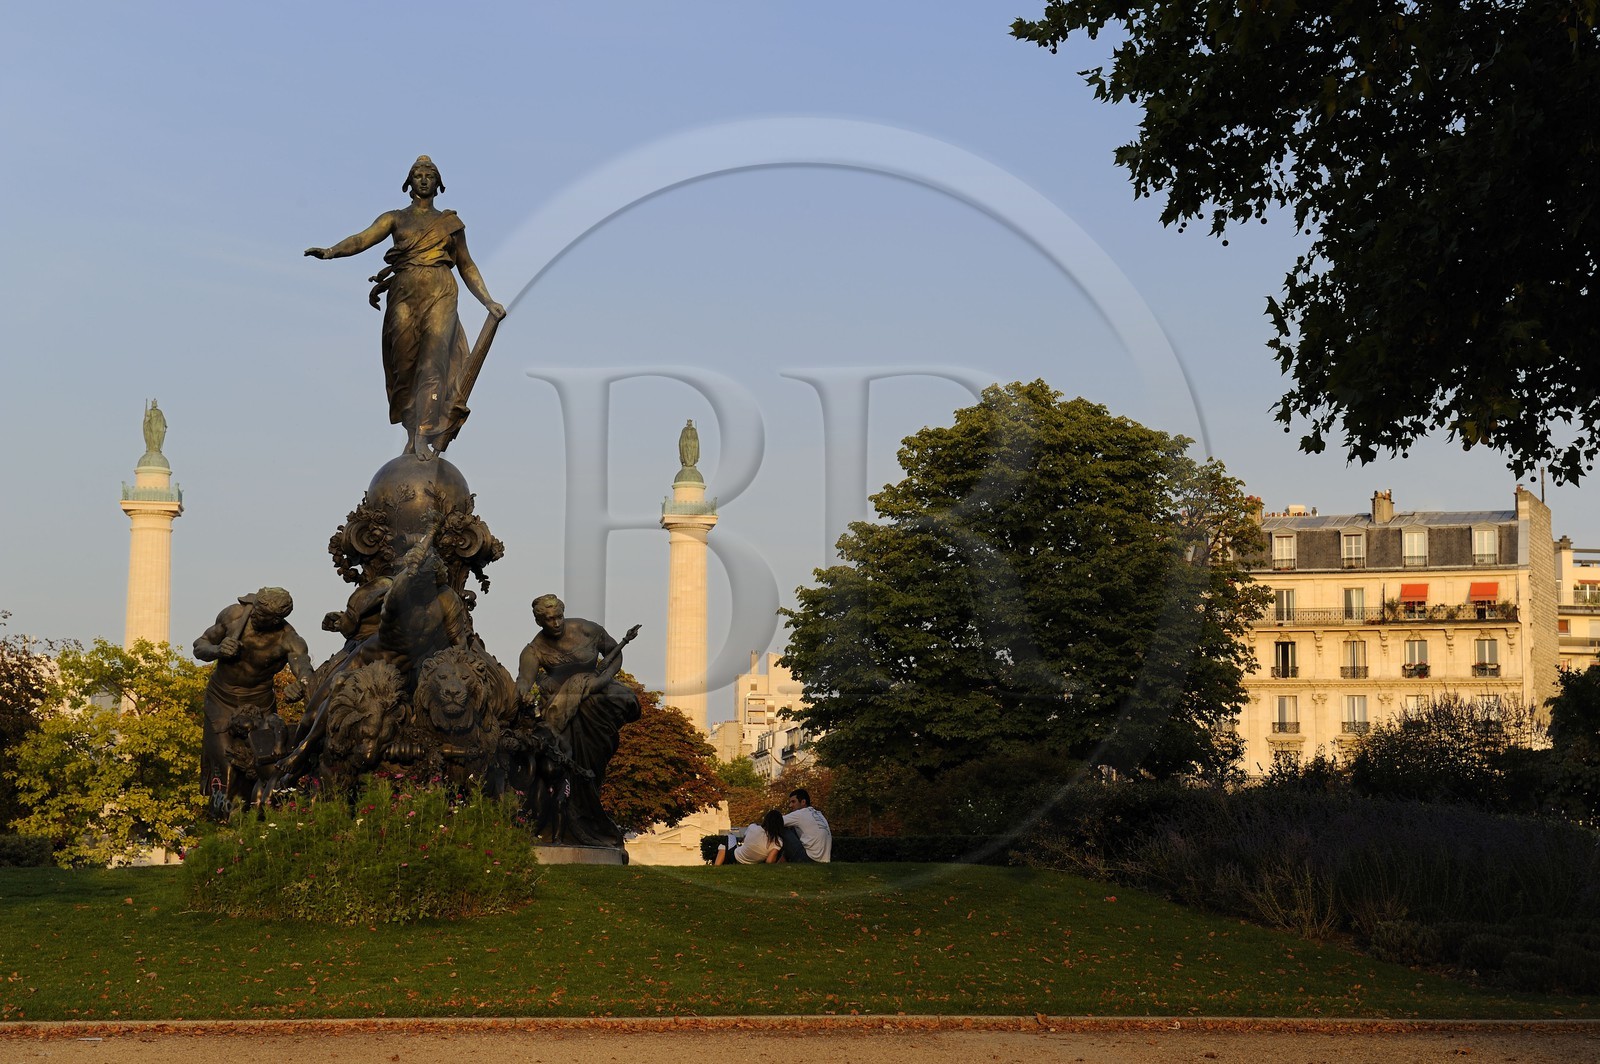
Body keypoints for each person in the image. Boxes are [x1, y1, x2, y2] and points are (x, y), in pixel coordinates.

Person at [305, 155, 506, 458]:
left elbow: (466, 265)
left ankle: (423, 434)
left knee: (432, 363)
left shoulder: (450, 224)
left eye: (430, 175)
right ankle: (412, 430)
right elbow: (362, 239)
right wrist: (332, 252)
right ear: (408, 183)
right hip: (403, 292)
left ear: (439, 184)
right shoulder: (395, 218)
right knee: (405, 365)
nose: (424, 179)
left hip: (441, 290)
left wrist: (488, 300)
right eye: (418, 175)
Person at [514, 595, 641, 847]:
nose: (556, 622)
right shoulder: (534, 649)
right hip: (565, 710)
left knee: (594, 763)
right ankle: (571, 823)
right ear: (539, 621)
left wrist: (599, 681)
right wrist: (522, 694)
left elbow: (614, 654)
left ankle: (587, 815)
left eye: (559, 616)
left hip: (597, 696)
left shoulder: (587, 629)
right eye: (549, 619)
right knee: (566, 764)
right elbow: (523, 681)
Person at [193, 588, 314, 819]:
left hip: (260, 707)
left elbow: (304, 668)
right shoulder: (234, 616)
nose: (255, 616)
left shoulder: (288, 639)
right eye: (256, 610)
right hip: (221, 701)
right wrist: (218, 650)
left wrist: (300, 684)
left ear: (277, 619)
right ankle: (223, 821)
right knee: (227, 768)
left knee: (265, 770)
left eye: (262, 615)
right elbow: (200, 645)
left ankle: (257, 822)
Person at [714, 809, 786, 865]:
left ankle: (717, 865)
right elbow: (769, 861)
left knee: (728, 837)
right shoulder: (778, 842)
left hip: (735, 857)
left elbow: (744, 840)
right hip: (753, 862)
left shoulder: (753, 827)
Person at [780, 787, 833, 863]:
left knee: (780, 827)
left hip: (808, 859)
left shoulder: (800, 813)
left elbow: (775, 821)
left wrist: (758, 827)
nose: (790, 805)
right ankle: (781, 861)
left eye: (793, 802)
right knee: (793, 828)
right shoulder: (818, 814)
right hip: (824, 860)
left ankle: (768, 855)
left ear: (803, 802)